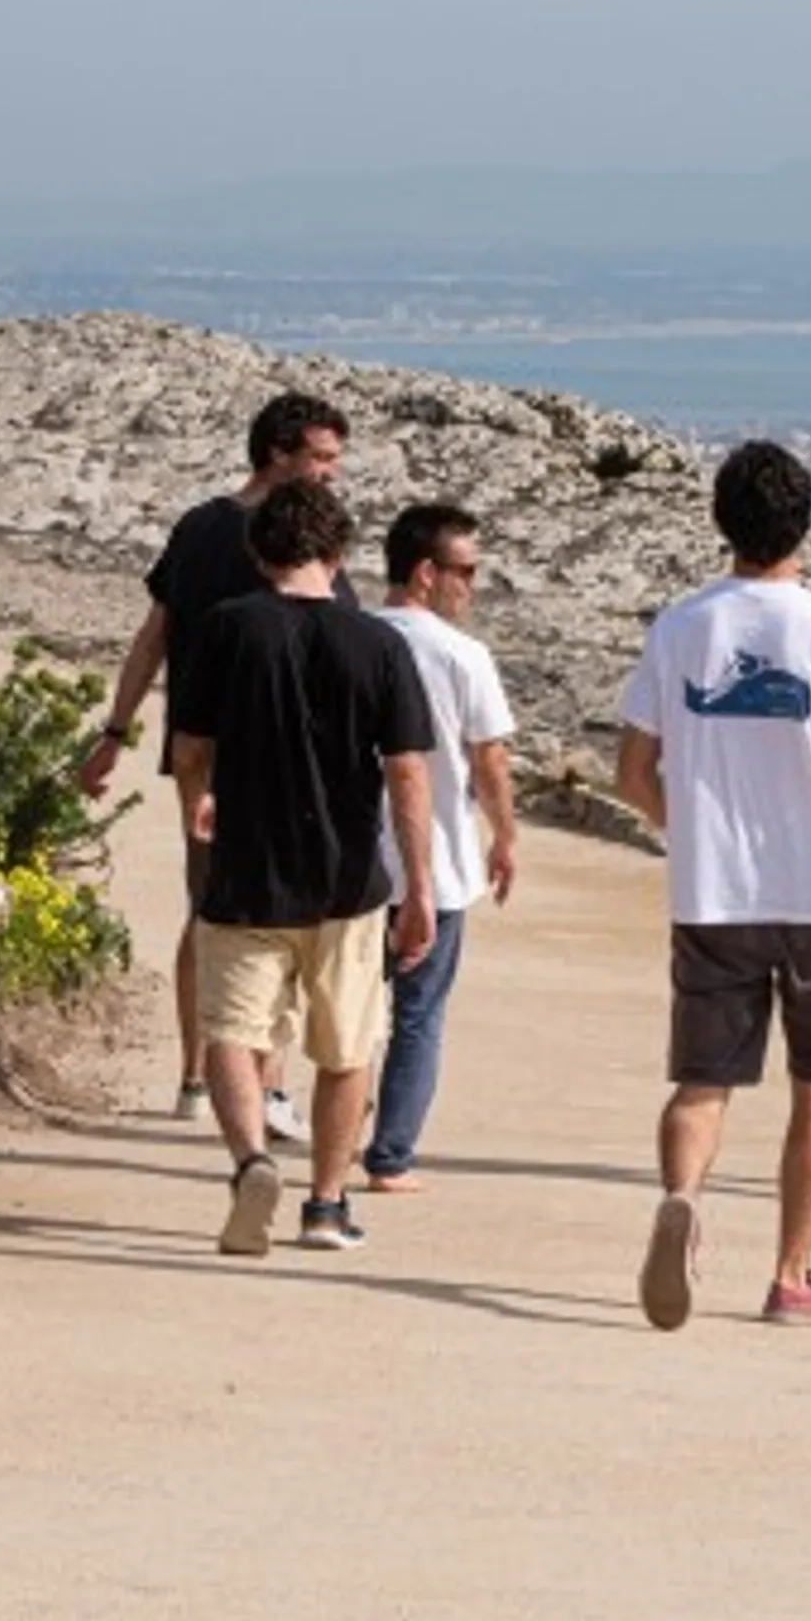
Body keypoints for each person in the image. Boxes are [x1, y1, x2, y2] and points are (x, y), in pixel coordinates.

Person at [613, 441, 811, 1331]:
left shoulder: (680, 627)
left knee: (704, 1080)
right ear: (806, 526)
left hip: (711, 894)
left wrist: (688, 827)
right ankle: (791, 1275)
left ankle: (681, 1196)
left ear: (722, 521)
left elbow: (633, 767)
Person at [163, 477, 438, 1255]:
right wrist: (419, 885)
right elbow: (407, 772)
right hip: (347, 884)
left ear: (259, 553)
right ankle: (325, 1201)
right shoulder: (380, 643)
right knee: (348, 1047)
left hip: (245, 874)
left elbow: (189, 745)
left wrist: (199, 798)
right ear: (339, 552)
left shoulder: (227, 629)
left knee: (230, 1032)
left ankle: (252, 1159)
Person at [85, 391, 351, 1138]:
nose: (332, 475)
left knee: (210, 906)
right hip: (276, 754)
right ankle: (264, 1084)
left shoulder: (198, 527)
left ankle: (197, 1077)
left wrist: (116, 731)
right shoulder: (298, 544)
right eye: (323, 458)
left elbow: (153, 636)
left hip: (195, 749)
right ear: (279, 453)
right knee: (288, 914)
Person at [359, 503, 518, 1194]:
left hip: (354, 862)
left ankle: (326, 1127)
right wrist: (505, 833)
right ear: (427, 572)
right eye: (467, 571)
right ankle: (391, 1154)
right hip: (439, 865)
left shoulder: (352, 635)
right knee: (417, 1019)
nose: (473, 587)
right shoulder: (461, 655)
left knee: (345, 1011)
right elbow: (489, 760)